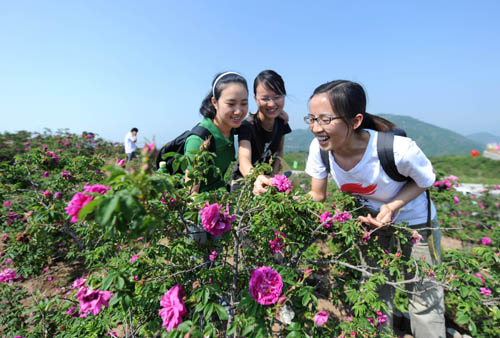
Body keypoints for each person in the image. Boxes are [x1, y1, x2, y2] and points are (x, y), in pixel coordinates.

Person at [253, 80, 445, 338]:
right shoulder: (320, 150)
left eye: (325, 119)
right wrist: (278, 193)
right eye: (311, 119)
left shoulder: (397, 149)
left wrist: (392, 206)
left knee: (424, 295)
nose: (315, 128)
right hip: (369, 224)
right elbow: (316, 196)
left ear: (355, 121)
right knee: (375, 291)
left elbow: (425, 181)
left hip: (416, 223)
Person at [185, 72, 249, 194]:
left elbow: (257, 122)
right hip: (203, 207)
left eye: (244, 104)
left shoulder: (232, 127)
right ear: (215, 102)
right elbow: (191, 195)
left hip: (221, 200)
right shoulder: (198, 140)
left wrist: (279, 116)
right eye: (231, 104)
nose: (238, 111)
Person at [231, 70, 291, 192]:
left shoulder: (281, 123)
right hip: (243, 181)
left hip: (267, 181)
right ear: (255, 98)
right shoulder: (247, 126)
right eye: (265, 98)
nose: (271, 103)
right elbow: (244, 160)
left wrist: (274, 178)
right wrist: (257, 179)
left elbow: (279, 151)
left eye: (277, 97)